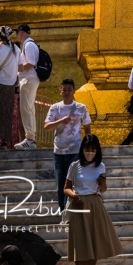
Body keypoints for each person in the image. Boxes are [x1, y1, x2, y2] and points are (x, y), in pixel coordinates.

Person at [64, 133, 122, 265]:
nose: (90, 152)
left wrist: (103, 183)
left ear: (97, 150)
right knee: (80, 251)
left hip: (96, 205)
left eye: (93, 149)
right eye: (87, 149)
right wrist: (74, 196)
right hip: (79, 205)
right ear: (82, 149)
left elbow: (103, 190)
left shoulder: (101, 166)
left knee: (96, 247)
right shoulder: (75, 166)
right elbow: (66, 188)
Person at [44, 79, 92, 211]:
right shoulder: (55, 108)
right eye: (64, 90)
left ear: (73, 91)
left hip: (75, 150)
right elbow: (46, 126)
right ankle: (63, 211)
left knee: (73, 183)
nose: (66, 92)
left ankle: (71, 210)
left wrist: (88, 144)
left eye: (69, 90)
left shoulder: (81, 108)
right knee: (60, 185)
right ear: (60, 91)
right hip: (59, 151)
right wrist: (61, 121)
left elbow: (87, 127)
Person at [14, 23, 39, 149]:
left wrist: (17, 68)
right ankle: (31, 138)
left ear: (22, 32)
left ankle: (29, 139)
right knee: (29, 109)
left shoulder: (28, 44)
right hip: (30, 79)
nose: (16, 35)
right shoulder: (30, 44)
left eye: (17, 32)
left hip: (28, 79)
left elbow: (31, 63)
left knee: (25, 109)